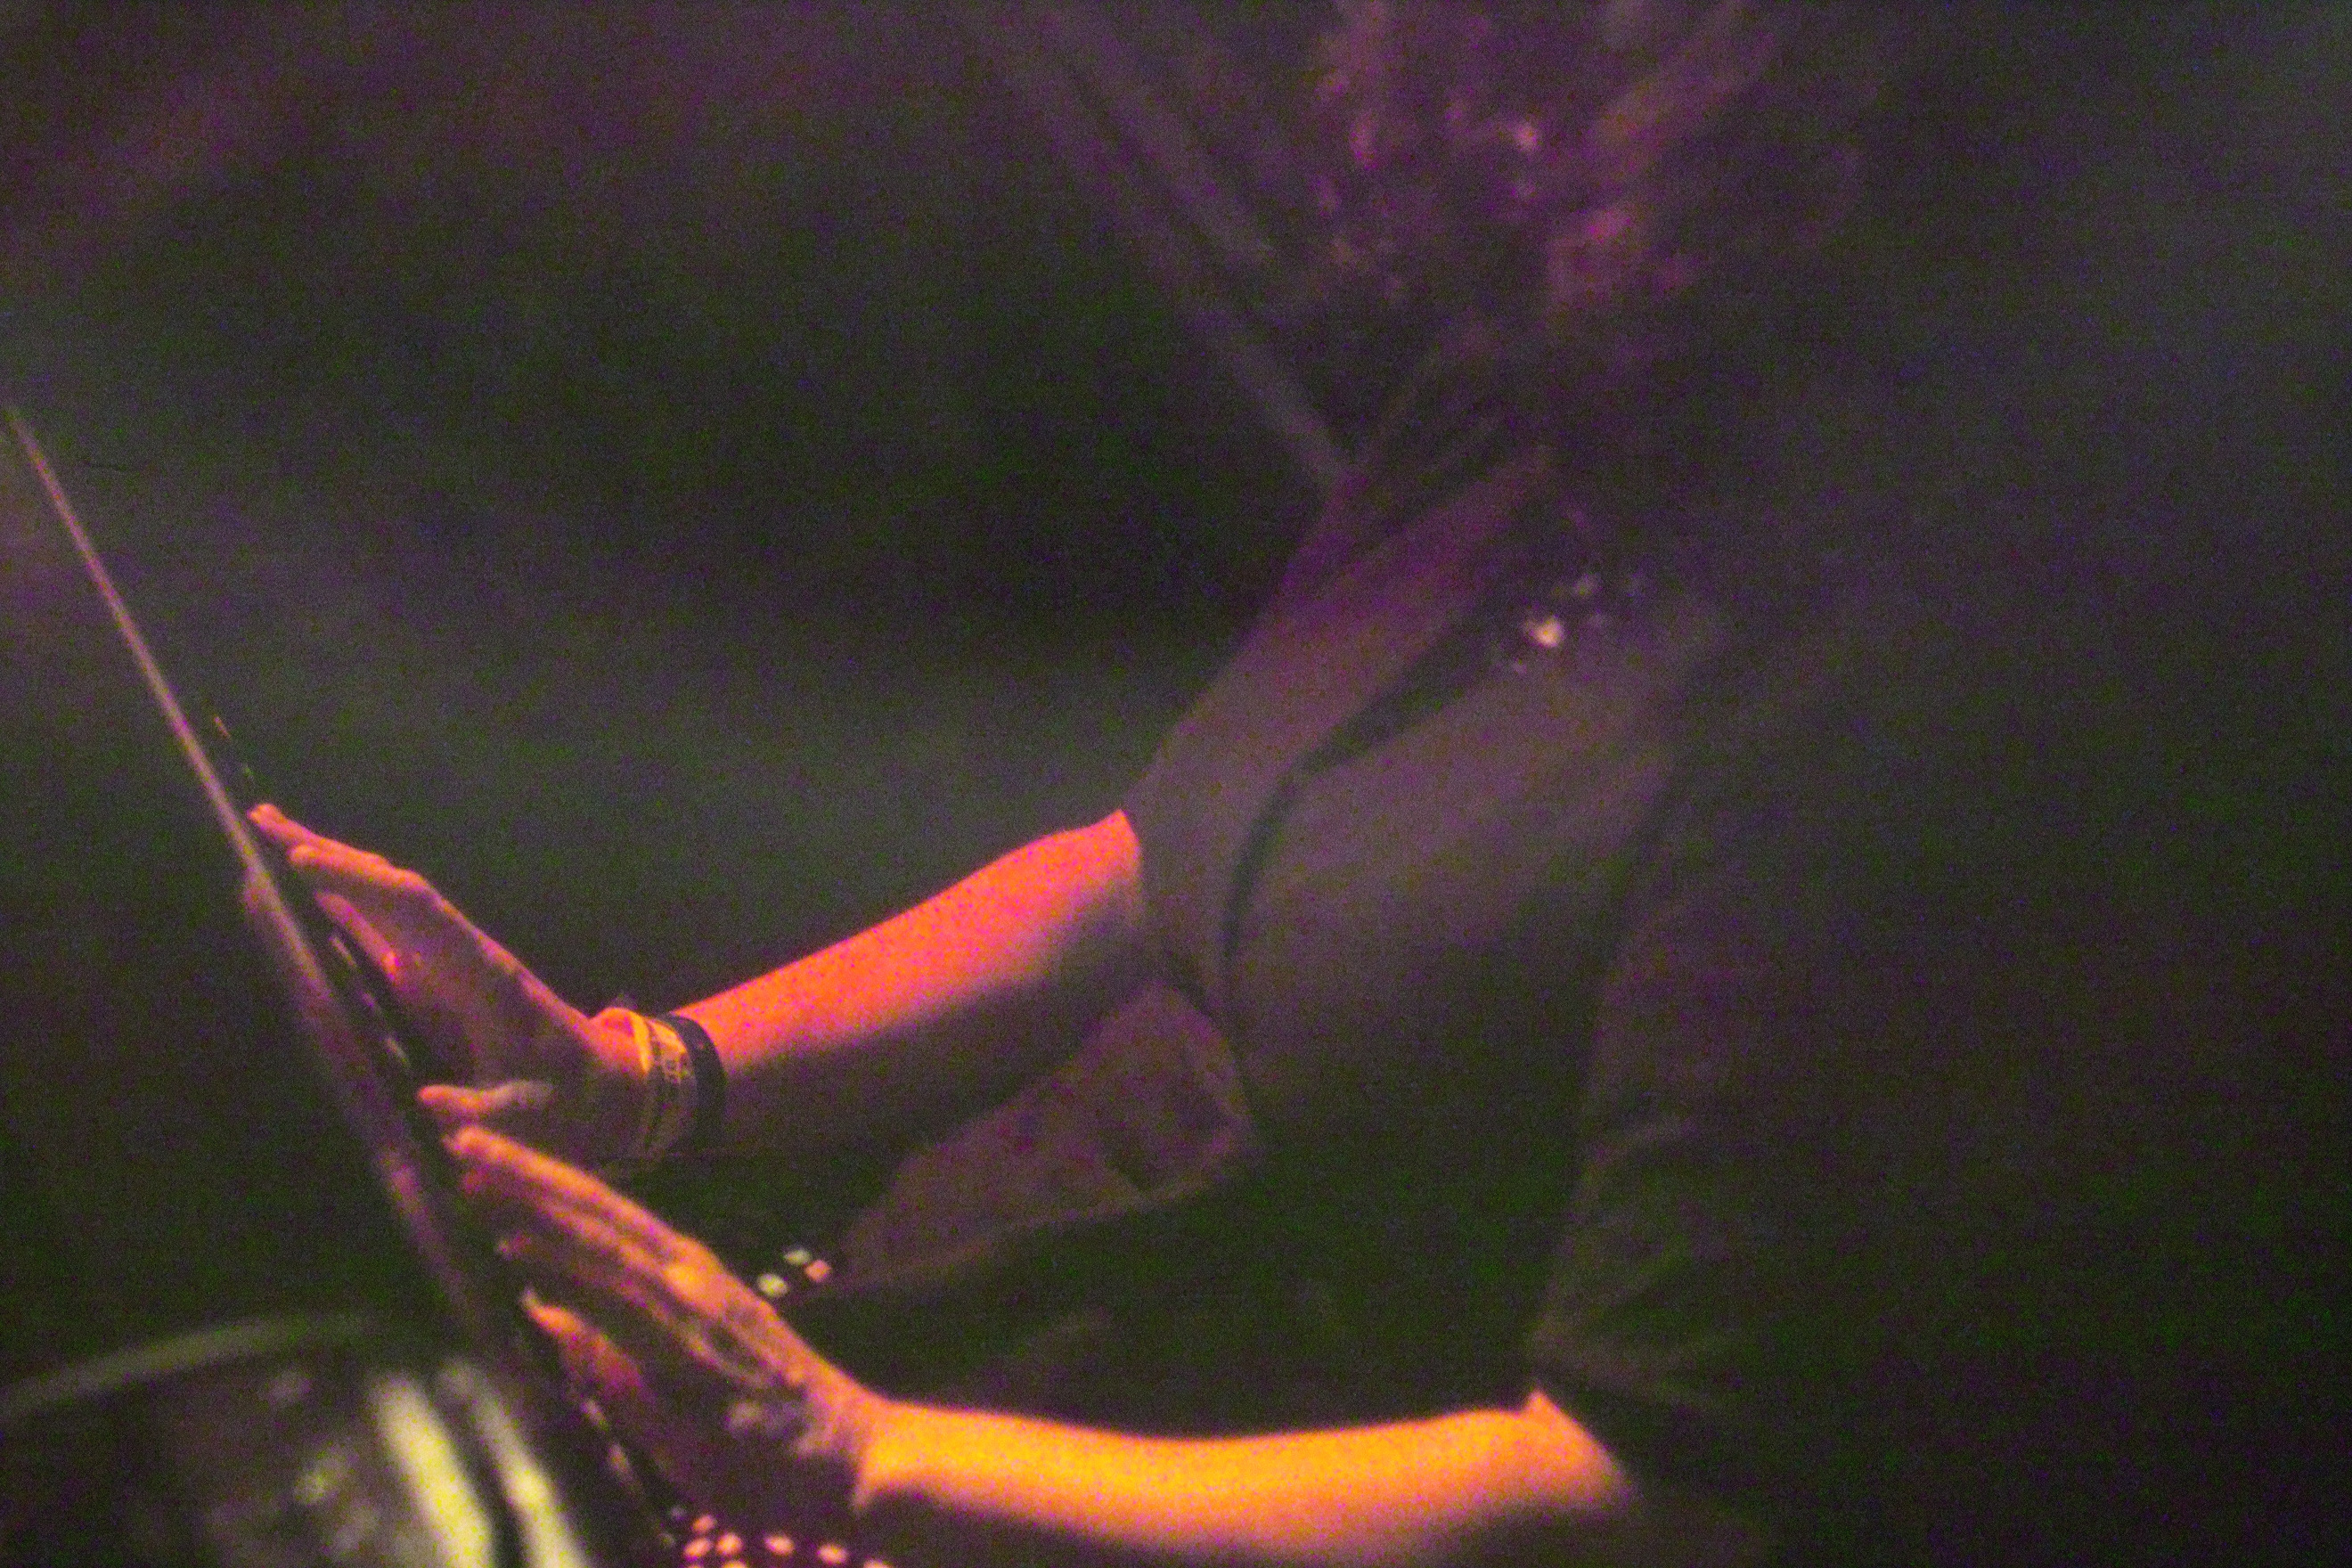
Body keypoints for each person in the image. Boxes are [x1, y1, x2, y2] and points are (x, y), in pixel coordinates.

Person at [253, 6, 2348, 1565]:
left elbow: (1632, 1493)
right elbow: (1138, 869)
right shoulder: (1561, 413)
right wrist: (643, 1080)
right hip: (912, 1366)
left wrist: (865, 1465)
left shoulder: (1901, 724)